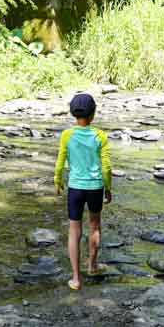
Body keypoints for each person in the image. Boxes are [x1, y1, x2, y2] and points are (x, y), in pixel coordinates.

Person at [54, 92, 112, 290]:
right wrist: (108, 187)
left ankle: (76, 279)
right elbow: (106, 167)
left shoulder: (67, 135)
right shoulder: (100, 135)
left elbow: (60, 161)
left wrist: (57, 180)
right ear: (93, 114)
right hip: (95, 187)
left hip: (75, 188)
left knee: (73, 230)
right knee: (94, 226)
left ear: (73, 113)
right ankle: (93, 266)